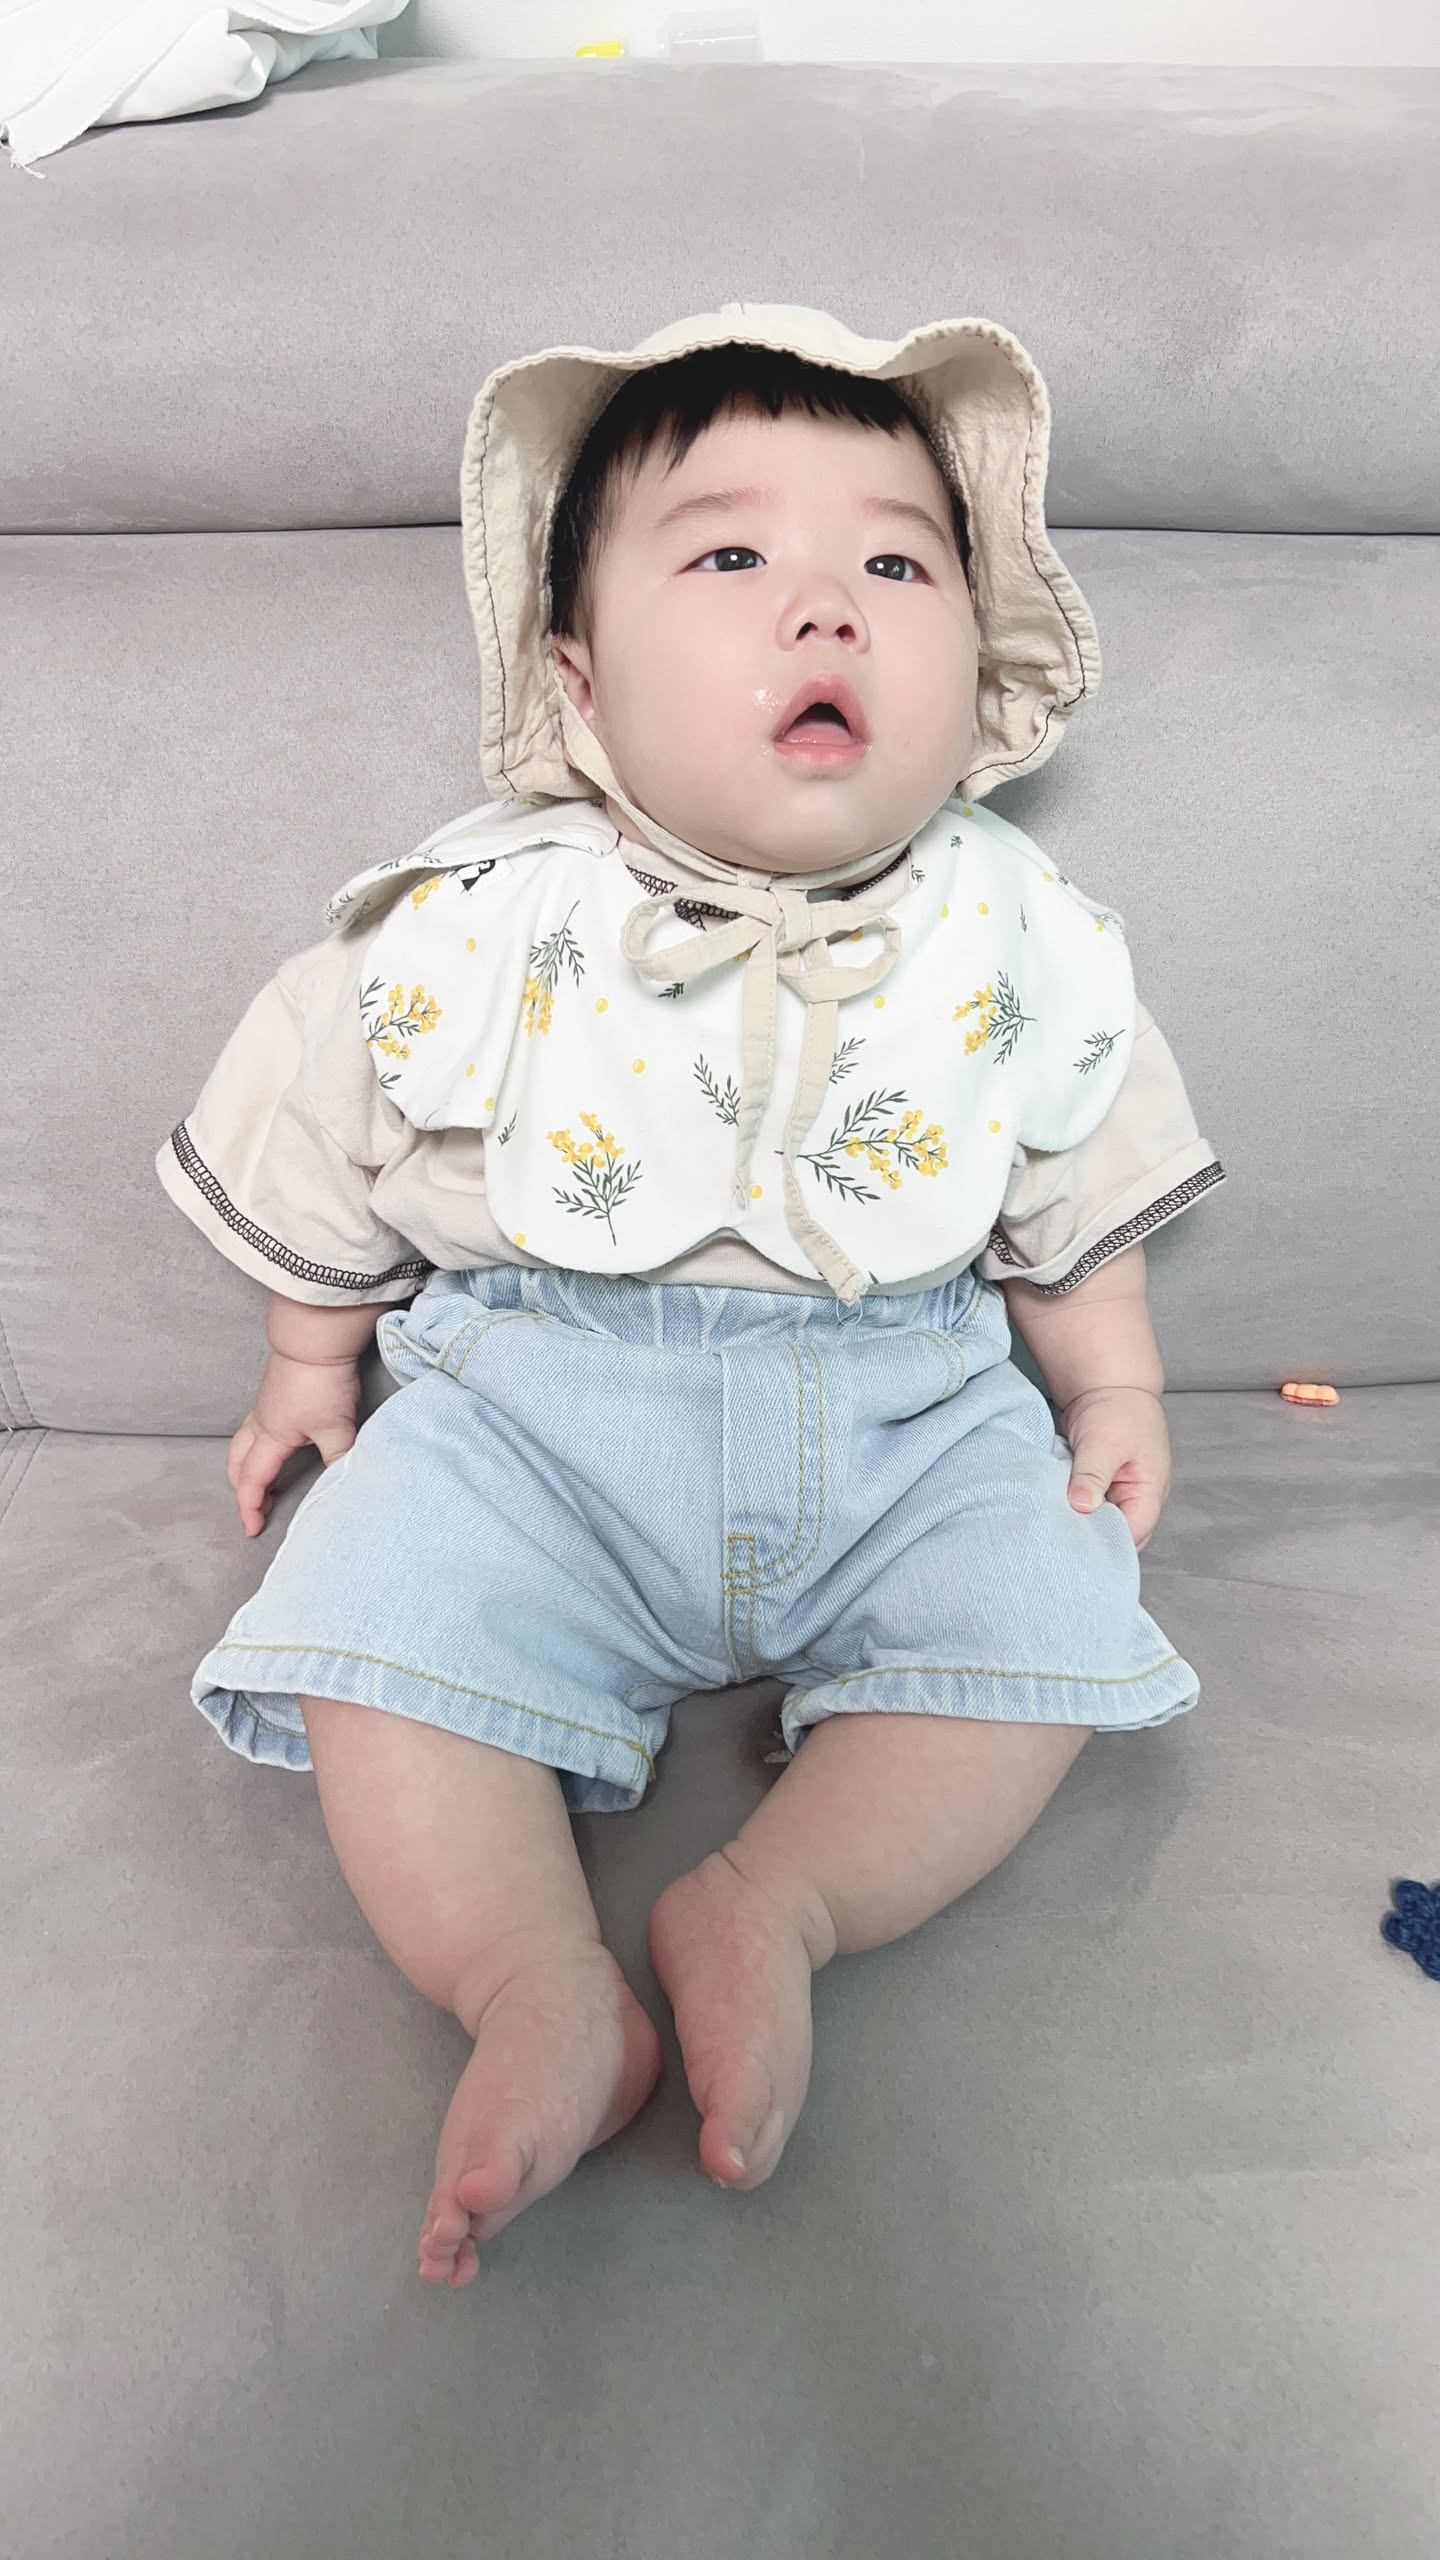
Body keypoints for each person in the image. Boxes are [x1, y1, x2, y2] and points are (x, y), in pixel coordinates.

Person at [157, 304, 1226, 2290]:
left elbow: (1080, 1169)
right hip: (539, 1424)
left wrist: (1116, 1386)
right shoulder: (483, 920)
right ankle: (528, 1976)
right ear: (576, 676)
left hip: (908, 1420)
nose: (826, 606)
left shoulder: (1021, 934)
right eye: (730, 554)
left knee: (1056, 1604)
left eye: (896, 563)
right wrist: (311, 1357)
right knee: (372, 1604)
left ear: (974, 667)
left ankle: (777, 1903)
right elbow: (329, 1105)